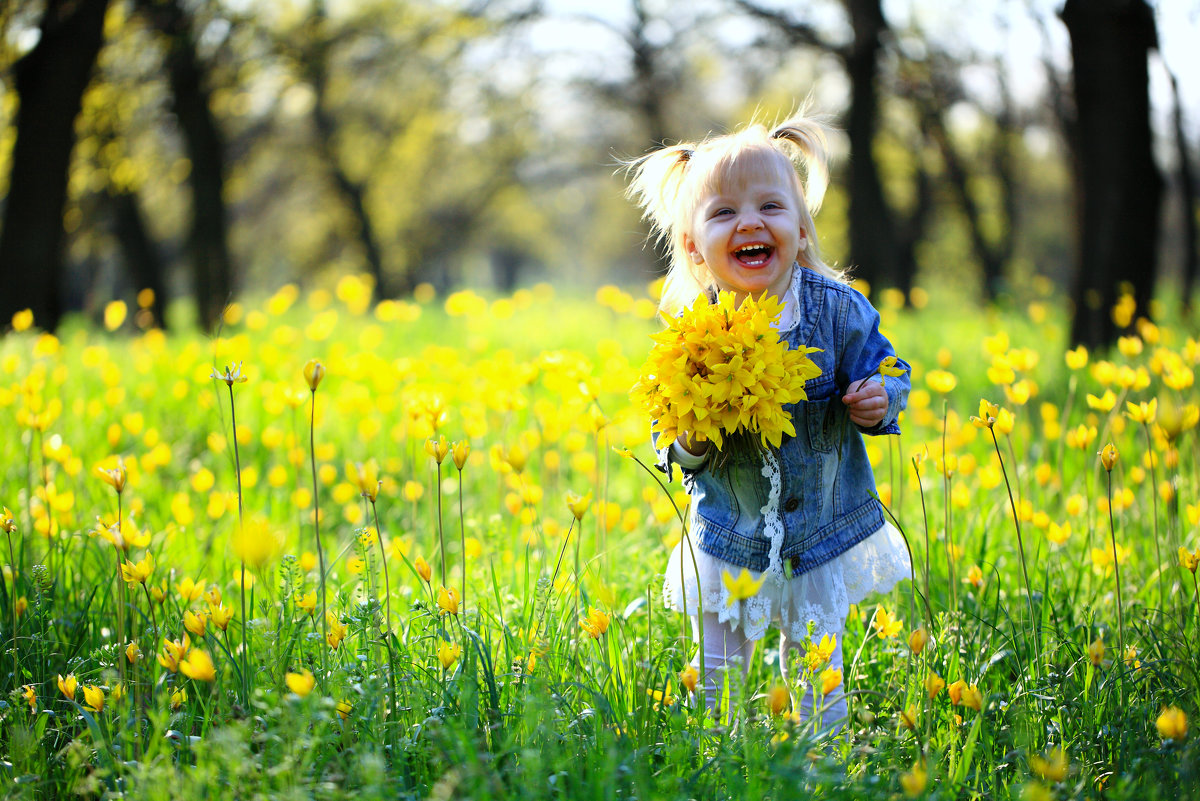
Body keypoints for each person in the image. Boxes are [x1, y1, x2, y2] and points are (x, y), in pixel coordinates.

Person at [626, 114, 912, 730]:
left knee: (817, 673)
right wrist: (693, 440)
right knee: (719, 676)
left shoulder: (837, 313)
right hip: (729, 535)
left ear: (801, 231)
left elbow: (891, 368)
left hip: (819, 536)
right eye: (724, 213)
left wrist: (878, 397)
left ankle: (823, 761)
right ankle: (717, 761)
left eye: (770, 207)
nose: (750, 222)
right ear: (693, 245)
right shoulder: (692, 335)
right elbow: (669, 433)